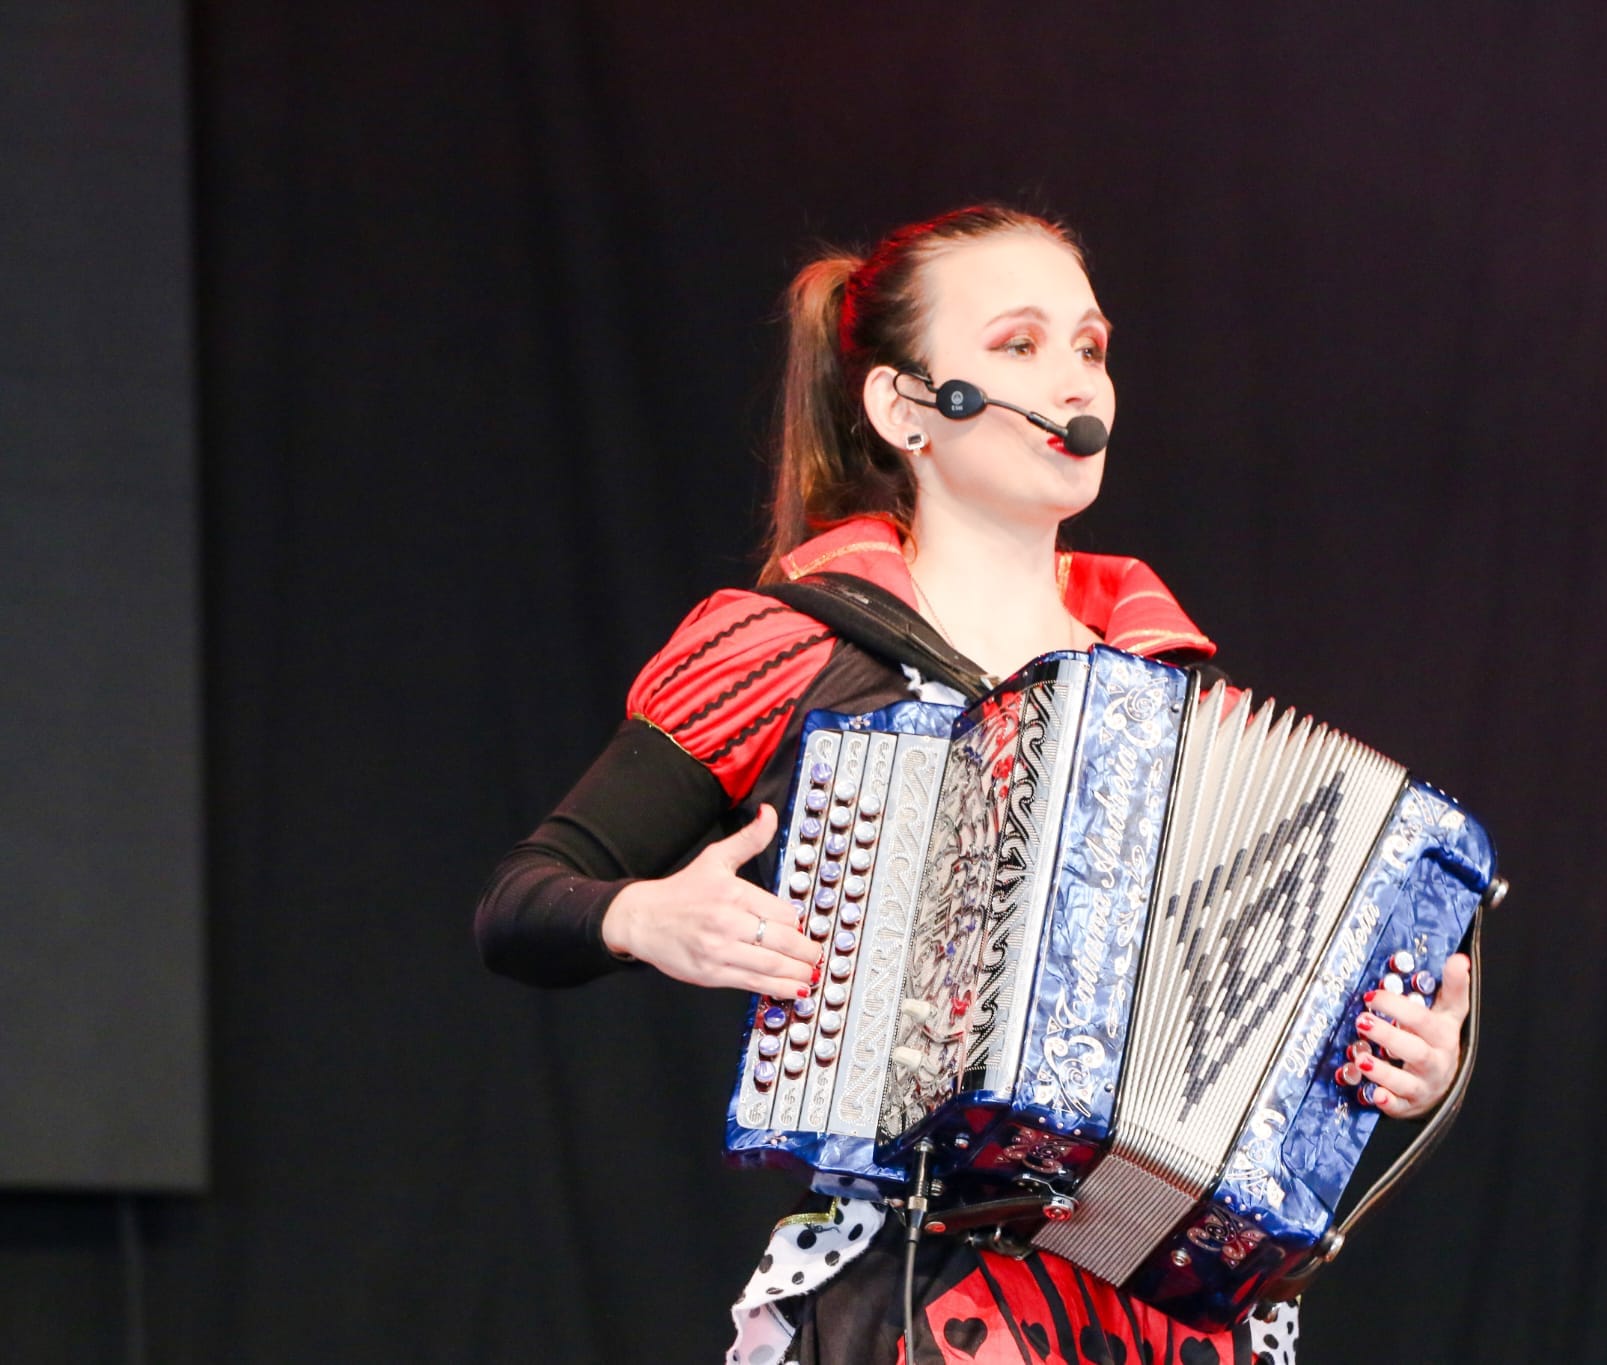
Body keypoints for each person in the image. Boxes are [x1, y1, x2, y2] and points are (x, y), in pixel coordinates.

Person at [475, 205, 1474, 1364]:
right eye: (1018, 346)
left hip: (1145, 1307)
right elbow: (519, 904)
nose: (1073, 380)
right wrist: (644, 915)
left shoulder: (1170, 695)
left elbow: (1240, 1044)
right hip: (919, 1299)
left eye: (1090, 348)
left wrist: (1386, 1060)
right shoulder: (792, 642)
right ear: (907, 408)